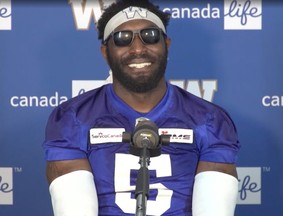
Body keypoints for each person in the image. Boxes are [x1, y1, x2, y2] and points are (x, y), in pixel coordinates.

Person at [43, 0, 240, 215]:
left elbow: (214, 210)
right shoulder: (73, 119)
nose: (138, 48)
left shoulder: (210, 120)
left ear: (167, 44)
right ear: (105, 52)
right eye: (122, 39)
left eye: (150, 36)